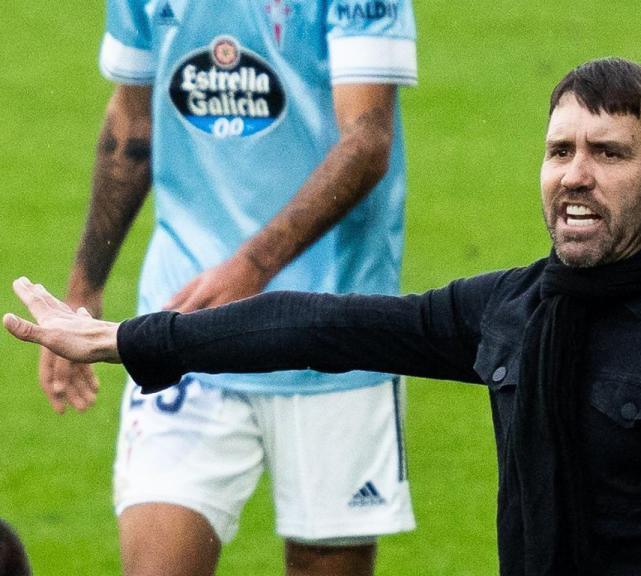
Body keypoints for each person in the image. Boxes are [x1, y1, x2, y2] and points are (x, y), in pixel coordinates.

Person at [7, 57, 641, 576]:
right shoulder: (517, 309)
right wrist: (126, 338)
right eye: (559, 152)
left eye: (608, 155)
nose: (574, 176)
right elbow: (325, 326)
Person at [37, 1, 418, 575]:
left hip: (335, 333)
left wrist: (252, 267)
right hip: (182, 322)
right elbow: (132, 127)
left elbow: (366, 140)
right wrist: (83, 288)